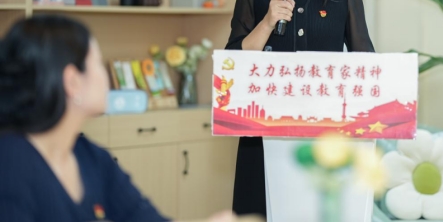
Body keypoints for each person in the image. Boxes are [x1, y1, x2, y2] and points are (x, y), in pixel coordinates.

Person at [0, 14, 260, 222]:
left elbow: (143, 218)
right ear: (72, 81)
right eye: (97, 63)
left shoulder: (90, 157)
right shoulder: (11, 162)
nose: (106, 74)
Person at [226, 0, 375, 216]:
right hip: (263, 129)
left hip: (325, 134)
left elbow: (364, 59)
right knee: (260, 211)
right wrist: (268, 22)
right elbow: (232, 64)